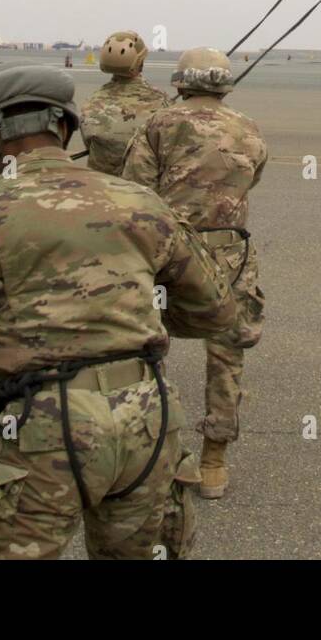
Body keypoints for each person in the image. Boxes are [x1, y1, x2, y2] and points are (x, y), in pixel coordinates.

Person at [0, 65, 235, 560]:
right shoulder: (142, 202)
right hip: (149, 421)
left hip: (47, 430)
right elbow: (215, 310)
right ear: (65, 127)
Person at [123, 48, 266, 501]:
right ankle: (214, 462)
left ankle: (157, 452)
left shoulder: (159, 124)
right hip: (230, 254)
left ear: (181, 81)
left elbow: (136, 189)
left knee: (147, 347)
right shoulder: (247, 128)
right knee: (227, 353)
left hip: (170, 253)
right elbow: (251, 176)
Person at [79, 30, 168, 175]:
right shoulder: (161, 101)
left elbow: (89, 143)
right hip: (144, 190)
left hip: (102, 188)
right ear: (140, 61)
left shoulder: (92, 103)